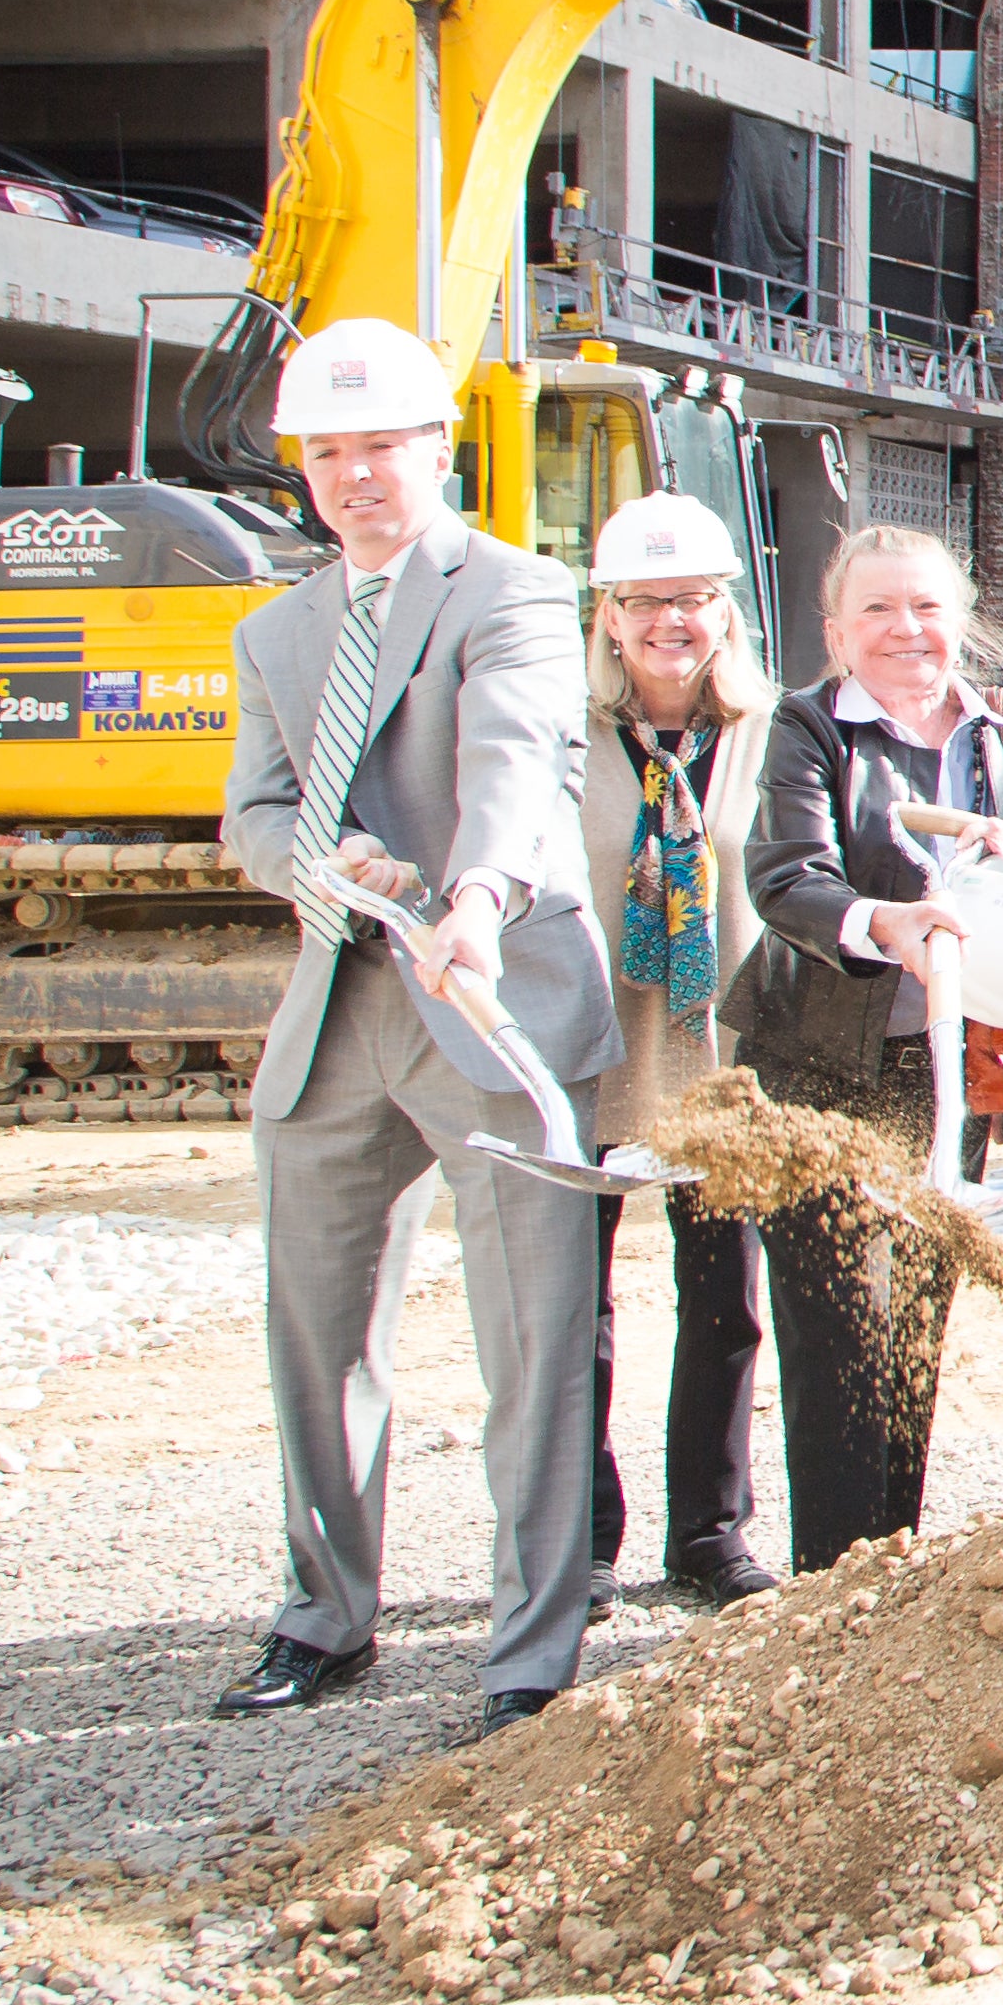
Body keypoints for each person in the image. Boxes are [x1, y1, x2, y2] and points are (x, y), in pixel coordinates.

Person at [210, 319, 631, 1733]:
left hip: (486, 988)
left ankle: (529, 1650)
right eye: (325, 454)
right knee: (316, 1335)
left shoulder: (510, 592)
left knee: (533, 1341)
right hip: (338, 1009)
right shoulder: (273, 630)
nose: (351, 476)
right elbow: (255, 813)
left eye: (377, 446)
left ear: (432, 451)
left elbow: (514, 755)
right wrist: (315, 867)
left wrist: (478, 892)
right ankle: (323, 1615)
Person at [737, 524, 1003, 1568]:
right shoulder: (810, 728)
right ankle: (831, 1577)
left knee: (913, 1310)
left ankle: (888, 1560)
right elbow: (785, 877)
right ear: (835, 630)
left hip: (941, 1071)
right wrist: (887, 924)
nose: (905, 630)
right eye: (877, 610)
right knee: (833, 1330)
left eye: (924, 608)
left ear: (960, 621)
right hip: (816, 1061)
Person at [573, 487, 778, 1603]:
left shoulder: (768, 734)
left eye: (692, 599)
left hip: (724, 1058)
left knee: (725, 1300)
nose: (669, 622)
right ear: (608, 615)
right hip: (594, 1047)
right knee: (576, 1305)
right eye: (644, 600)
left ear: (725, 612)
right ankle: (582, 1538)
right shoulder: (563, 733)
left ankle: (706, 1530)